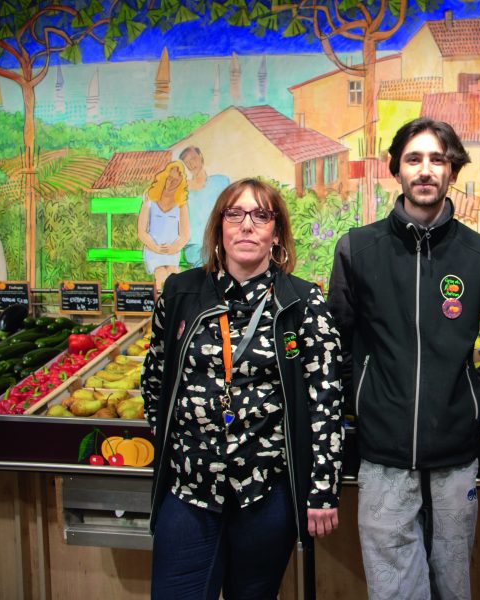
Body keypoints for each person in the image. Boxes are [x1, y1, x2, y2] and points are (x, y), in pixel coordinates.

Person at [327, 117, 480, 600]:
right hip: (383, 455)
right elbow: (338, 341)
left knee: (453, 584)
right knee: (393, 589)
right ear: (397, 170)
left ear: (453, 170)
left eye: (437, 159)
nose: (426, 170)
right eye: (414, 159)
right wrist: (362, 397)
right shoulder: (356, 250)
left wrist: (475, 397)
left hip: (456, 455)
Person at [142, 178, 343, 599]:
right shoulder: (181, 293)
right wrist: (180, 443)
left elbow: (325, 401)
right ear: (219, 228)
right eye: (235, 214)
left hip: (265, 494)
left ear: (276, 232)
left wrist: (322, 485)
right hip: (190, 489)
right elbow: (155, 378)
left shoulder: (302, 303)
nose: (246, 225)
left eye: (260, 215)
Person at [138, 160, 190, 290]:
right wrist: (154, 247)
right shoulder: (150, 199)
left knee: (174, 275)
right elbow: (141, 232)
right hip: (153, 249)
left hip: (172, 250)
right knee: (161, 275)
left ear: (180, 183)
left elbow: (185, 235)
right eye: (169, 178)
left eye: (176, 180)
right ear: (164, 177)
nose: (171, 183)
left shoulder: (181, 204)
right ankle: (162, 307)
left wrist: (174, 247)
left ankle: (173, 308)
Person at [179, 146, 231, 268]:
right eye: (187, 162)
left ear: (201, 156)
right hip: (194, 245)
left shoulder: (221, 182)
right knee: (205, 262)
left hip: (217, 241)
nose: (191, 164)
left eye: (193, 158)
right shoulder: (183, 189)